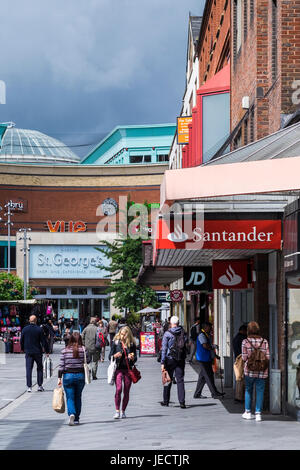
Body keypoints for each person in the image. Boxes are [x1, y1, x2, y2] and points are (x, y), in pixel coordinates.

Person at [57, 332, 90, 426]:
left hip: (68, 376)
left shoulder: (64, 351)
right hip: (80, 376)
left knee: (70, 397)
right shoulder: (84, 349)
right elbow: (88, 361)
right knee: (78, 396)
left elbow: (61, 366)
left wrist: (59, 378)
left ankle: (72, 413)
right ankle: (77, 419)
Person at [241, 321, 270, 422]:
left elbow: (244, 358)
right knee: (260, 391)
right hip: (262, 371)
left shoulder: (245, 341)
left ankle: (248, 412)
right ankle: (258, 414)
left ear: (248, 330)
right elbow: (268, 357)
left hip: (249, 371)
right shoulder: (264, 341)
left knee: (248, 390)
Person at [109, 326, 137, 419]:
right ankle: (117, 411)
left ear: (128, 335)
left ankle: (123, 411)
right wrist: (115, 355)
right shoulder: (116, 343)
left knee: (126, 391)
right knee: (119, 389)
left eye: (124, 334)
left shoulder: (132, 344)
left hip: (128, 370)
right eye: (121, 334)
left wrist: (132, 358)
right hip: (118, 369)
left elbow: (135, 358)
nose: (122, 336)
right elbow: (110, 356)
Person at [160, 316, 188, 408]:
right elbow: (186, 343)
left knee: (168, 379)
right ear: (178, 323)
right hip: (180, 358)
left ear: (170, 323)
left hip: (170, 359)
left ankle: (166, 401)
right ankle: (182, 402)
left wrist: (162, 362)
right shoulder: (183, 332)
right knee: (180, 380)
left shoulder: (167, 334)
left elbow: (164, 349)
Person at [193, 322, 224, 399]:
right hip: (202, 359)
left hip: (206, 358)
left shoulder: (206, 335)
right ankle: (214, 393)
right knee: (208, 376)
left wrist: (215, 355)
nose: (211, 329)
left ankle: (197, 394)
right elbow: (205, 346)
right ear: (206, 327)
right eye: (210, 327)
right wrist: (212, 347)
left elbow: (208, 346)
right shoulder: (202, 335)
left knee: (203, 377)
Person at [20, 315, 49, 393]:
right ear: (36, 321)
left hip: (28, 352)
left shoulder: (25, 329)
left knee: (28, 369)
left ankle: (29, 386)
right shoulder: (39, 329)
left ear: (29, 321)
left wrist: (23, 348)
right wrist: (47, 351)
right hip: (37, 352)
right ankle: (39, 385)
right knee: (39, 368)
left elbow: (21, 340)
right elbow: (43, 341)